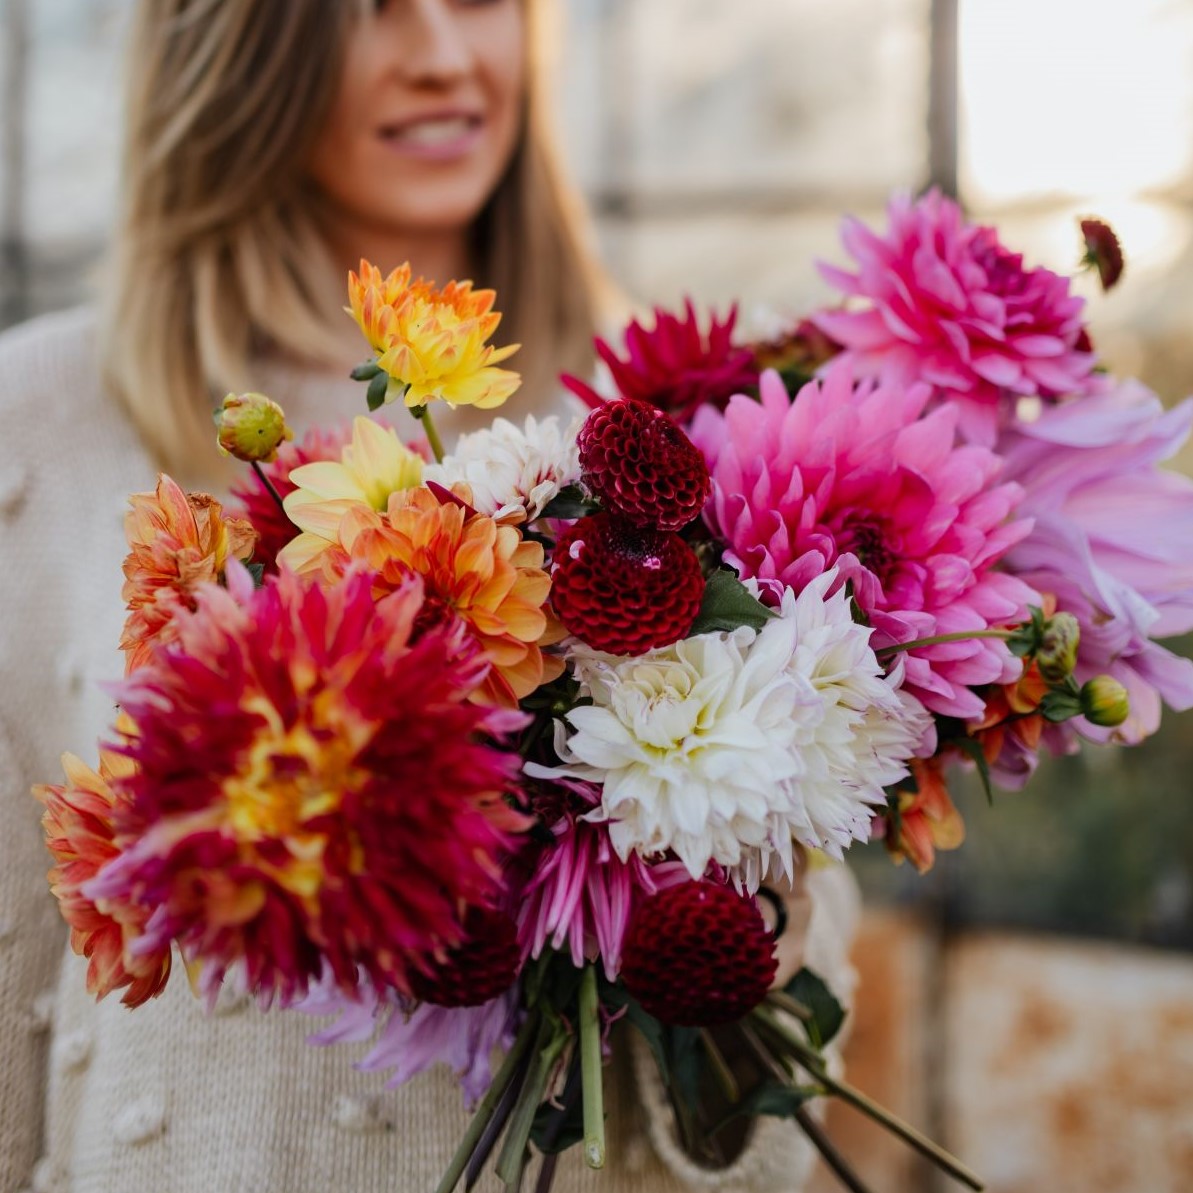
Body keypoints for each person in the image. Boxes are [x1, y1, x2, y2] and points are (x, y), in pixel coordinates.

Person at [0, 2, 857, 1190]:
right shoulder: (39, 418)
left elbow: (765, 1093)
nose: (445, 58)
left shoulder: (651, 431)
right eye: (371, 12)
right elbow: (17, 962)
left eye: (478, 2)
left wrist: (739, 933)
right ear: (239, 54)